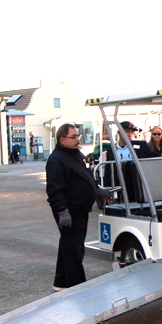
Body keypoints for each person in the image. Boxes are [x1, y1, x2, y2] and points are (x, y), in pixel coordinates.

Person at [46, 124, 109, 291]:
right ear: (62, 139)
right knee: (74, 247)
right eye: (73, 137)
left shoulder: (76, 154)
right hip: (69, 209)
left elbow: (86, 175)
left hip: (80, 207)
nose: (77, 140)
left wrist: (97, 190)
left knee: (68, 244)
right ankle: (77, 285)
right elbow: (55, 189)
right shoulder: (57, 159)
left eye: (77, 136)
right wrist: (62, 211)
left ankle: (61, 282)